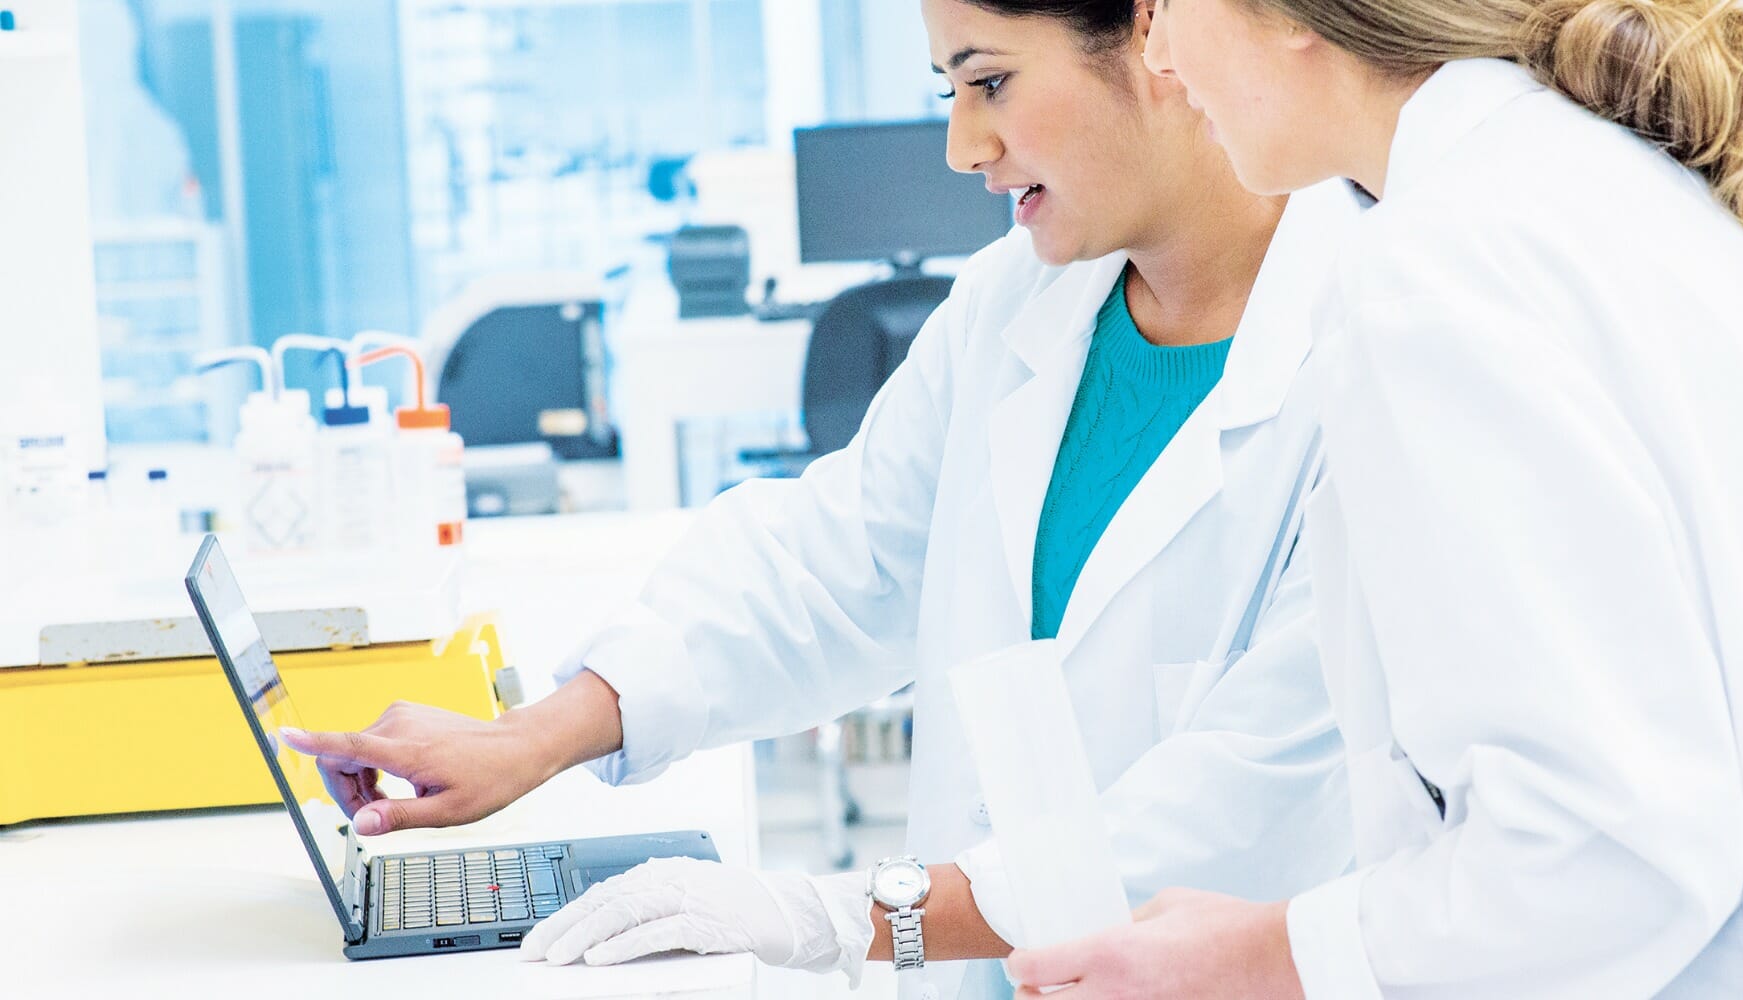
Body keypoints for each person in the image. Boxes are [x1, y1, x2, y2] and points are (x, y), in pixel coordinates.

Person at [282, 1, 1365, 997]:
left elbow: (1247, 794)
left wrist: (838, 913)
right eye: (951, 94)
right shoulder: (1017, 302)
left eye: (988, 83)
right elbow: (837, 561)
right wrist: (537, 735)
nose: (962, 149)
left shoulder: (1376, 346)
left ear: (1153, 34)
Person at [1005, 0, 1743, 997]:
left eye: (1168, 6)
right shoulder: (1670, 191)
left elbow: (1607, 857)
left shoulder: (1441, 265)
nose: (1163, 56)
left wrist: (1270, 954)